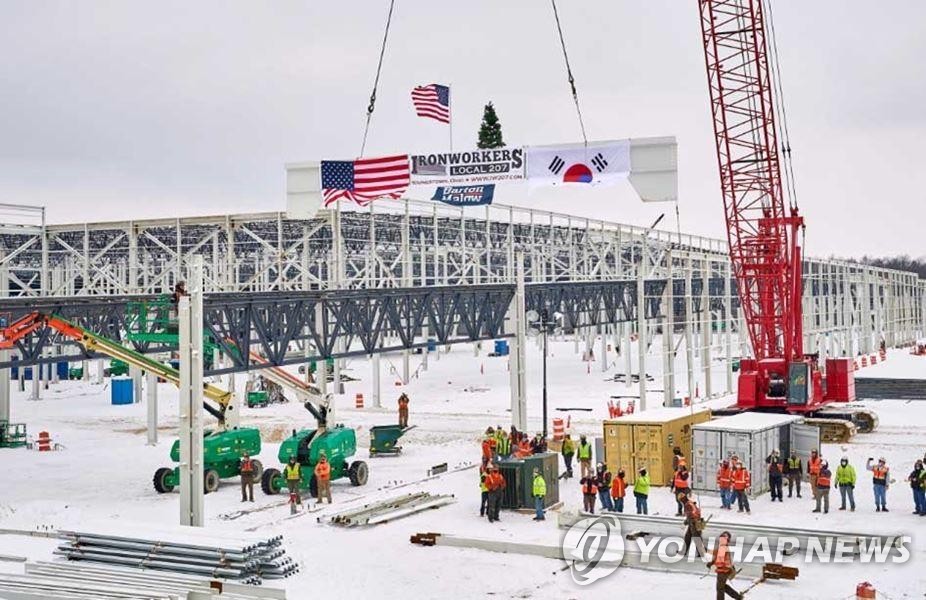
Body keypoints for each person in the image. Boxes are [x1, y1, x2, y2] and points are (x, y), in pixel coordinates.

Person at [707, 531, 743, 600]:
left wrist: (712, 564)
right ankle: (738, 597)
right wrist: (711, 562)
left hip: (723, 571)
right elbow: (717, 554)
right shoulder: (723, 547)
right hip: (724, 570)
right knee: (722, 586)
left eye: (723, 539)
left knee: (720, 588)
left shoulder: (723, 548)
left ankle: (737, 597)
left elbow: (720, 561)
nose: (721, 540)